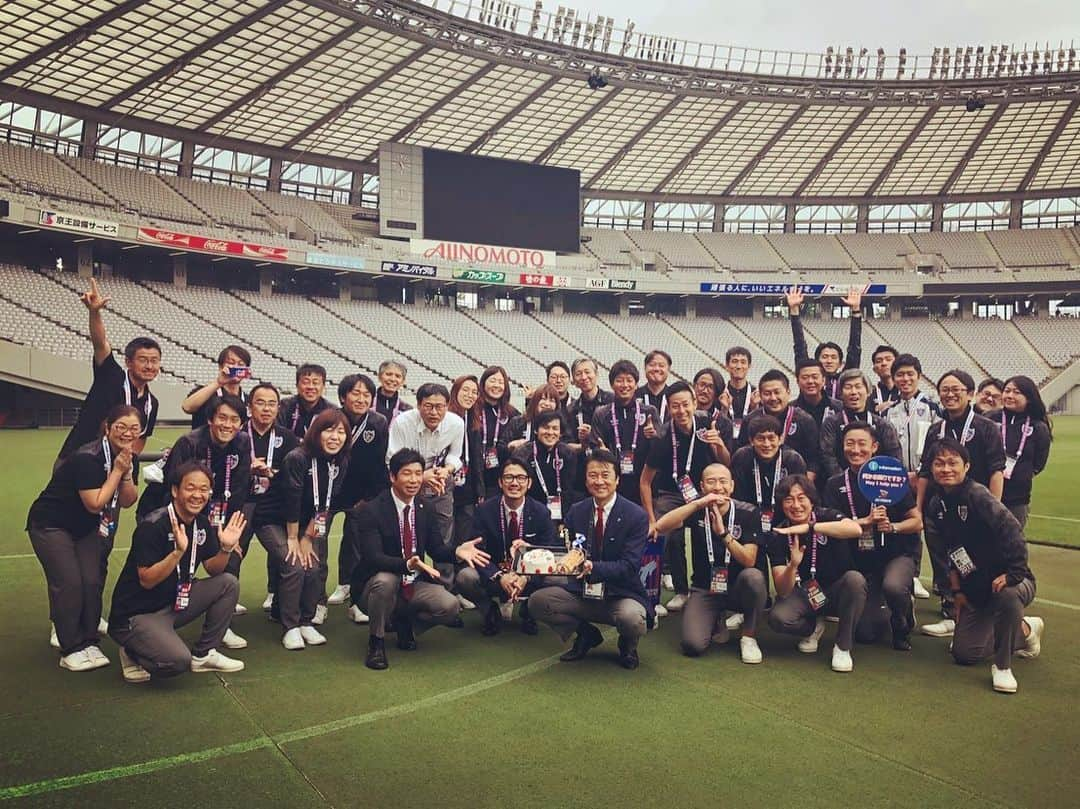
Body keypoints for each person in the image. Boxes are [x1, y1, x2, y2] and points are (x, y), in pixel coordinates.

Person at [922, 439, 1044, 694]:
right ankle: (1025, 629)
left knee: (1008, 594)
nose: (946, 469)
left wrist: (1014, 574)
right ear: (931, 468)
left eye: (953, 463)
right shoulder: (936, 504)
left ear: (966, 466)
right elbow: (950, 552)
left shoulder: (977, 494)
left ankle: (1002, 666)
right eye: (939, 463)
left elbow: (1011, 528)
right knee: (964, 654)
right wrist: (957, 592)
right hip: (976, 587)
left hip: (1011, 581)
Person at [107, 462, 246, 682]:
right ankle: (132, 649)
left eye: (203, 489)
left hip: (173, 603)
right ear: (175, 490)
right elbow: (147, 580)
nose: (197, 495)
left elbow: (213, 568)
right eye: (190, 488)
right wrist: (177, 553)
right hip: (137, 615)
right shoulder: (153, 524)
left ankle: (204, 653)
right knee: (178, 661)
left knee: (228, 582)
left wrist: (226, 548)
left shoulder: (201, 523)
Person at [28, 405, 141, 671]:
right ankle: (70, 647)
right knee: (69, 582)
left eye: (134, 428)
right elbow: (95, 503)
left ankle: (89, 639)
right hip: (51, 524)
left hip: (85, 527)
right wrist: (116, 471)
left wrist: (124, 472)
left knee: (91, 580)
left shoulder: (126, 457)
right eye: (121, 426)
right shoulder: (87, 457)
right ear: (107, 427)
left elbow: (128, 500)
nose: (127, 433)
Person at [528, 449, 651, 670]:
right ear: (585, 480)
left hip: (619, 593)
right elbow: (563, 548)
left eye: (605, 475)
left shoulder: (636, 515)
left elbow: (630, 566)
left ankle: (628, 644)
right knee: (538, 602)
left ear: (617, 479)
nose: (599, 481)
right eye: (593, 475)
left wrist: (593, 567)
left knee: (633, 619)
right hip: (582, 591)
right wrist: (530, 550)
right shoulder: (577, 511)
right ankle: (586, 635)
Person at [347, 449, 462, 670]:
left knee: (450, 606)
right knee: (386, 580)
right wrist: (407, 564)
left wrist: (457, 551)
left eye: (418, 473)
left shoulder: (425, 507)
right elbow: (373, 558)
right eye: (407, 474)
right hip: (374, 586)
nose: (414, 480)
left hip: (413, 583)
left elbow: (437, 549)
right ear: (392, 477)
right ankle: (376, 642)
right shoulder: (371, 510)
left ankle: (405, 625)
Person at [916, 370, 1006, 638]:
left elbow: (996, 470)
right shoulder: (936, 429)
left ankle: (981, 611)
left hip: (975, 509)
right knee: (943, 557)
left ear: (970, 394)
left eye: (956, 389)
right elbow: (924, 471)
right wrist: (919, 508)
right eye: (945, 389)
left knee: (973, 559)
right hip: (940, 509)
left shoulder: (986, 427)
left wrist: (993, 508)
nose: (950, 394)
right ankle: (949, 609)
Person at [821, 422, 922, 651]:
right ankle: (884, 605)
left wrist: (893, 527)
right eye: (849, 443)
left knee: (894, 586)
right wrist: (864, 522)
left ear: (874, 447)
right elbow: (830, 525)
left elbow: (917, 521)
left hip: (896, 555)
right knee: (866, 633)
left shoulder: (892, 477)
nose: (855, 450)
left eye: (862, 444)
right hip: (862, 563)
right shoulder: (835, 484)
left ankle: (902, 618)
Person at [653, 464, 766, 664]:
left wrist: (723, 534)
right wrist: (696, 505)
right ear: (702, 486)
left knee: (754, 577)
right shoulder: (697, 510)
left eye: (723, 481)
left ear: (732, 486)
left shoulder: (748, 512)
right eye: (711, 481)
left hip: (737, 587)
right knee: (692, 645)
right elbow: (661, 526)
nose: (717, 487)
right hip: (705, 589)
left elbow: (749, 560)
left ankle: (748, 636)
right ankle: (716, 618)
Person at [640, 381, 729, 612]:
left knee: (708, 532)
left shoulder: (710, 425)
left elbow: (727, 466)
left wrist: (718, 444)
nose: (681, 411)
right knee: (663, 534)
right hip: (672, 494)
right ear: (668, 408)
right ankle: (676, 591)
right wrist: (652, 519)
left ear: (695, 403)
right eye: (675, 406)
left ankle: (707, 587)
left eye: (685, 405)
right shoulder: (662, 437)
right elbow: (645, 481)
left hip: (705, 491)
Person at [766, 474, 866, 672]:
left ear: (812, 500)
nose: (796, 505)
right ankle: (813, 627)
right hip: (805, 591)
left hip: (838, 589)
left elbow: (855, 529)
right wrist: (793, 565)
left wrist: (811, 527)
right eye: (788, 499)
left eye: (801, 498)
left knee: (855, 580)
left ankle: (843, 646)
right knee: (779, 617)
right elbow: (782, 589)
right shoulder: (779, 533)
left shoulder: (826, 515)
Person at [57, 278, 160, 465]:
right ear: (128, 362)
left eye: (154, 361)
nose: (149, 366)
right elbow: (100, 344)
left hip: (115, 468)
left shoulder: (151, 403)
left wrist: (127, 463)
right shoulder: (111, 376)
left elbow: (141, 438)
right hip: (76, 458)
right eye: (143, 360)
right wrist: (95, 312)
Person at [273, 409, 350, 649]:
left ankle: (306, 621)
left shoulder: (341, 460)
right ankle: (290, 626)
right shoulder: (297, 457)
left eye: (341, 432)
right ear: (316, 432)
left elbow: (326, 502)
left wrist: (308, 536)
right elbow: (290, 501)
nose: (335, 437)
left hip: (308, 522)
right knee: (294, 564)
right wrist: (295, 538)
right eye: (329, 430)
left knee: (313, 567)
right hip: (276, 518)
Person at [455, 458, 557, 636]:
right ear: (500, 482)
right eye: (509, 477)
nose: (515, 483)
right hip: (496, 574)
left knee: (556, 579)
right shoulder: (485, 511)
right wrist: (500, 576)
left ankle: (530, 610)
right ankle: (489, 611)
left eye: (520, 478)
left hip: (528, 576)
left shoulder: (541, 512)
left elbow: (547, 551)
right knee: (465, 577)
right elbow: (477, 552)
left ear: (529, 482)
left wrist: (525, 576)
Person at [226, 383, 299, 630]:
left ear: (278, 408)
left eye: (271, 403)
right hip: (239, 506)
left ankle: (287, 620)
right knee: (230, 559)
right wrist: (247, 467)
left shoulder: (287, 438)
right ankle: (223, 622)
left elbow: (293, 477)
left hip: (271, 509)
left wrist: (271, 472)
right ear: (249, 406)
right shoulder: (235, 435)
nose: (266, 409)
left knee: (288, 560)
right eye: (260, 402)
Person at [387, 382, 465, 587]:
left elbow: (456, 455)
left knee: (444, 533)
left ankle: (445, 585)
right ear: (418, 404)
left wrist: (446, 471)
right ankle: (405, 582)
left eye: (440, 406)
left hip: (440, 481)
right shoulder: (403, 422)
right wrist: (421, 476)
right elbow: (392, 460)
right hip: (408, 482)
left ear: (448, 405)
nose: (434, 412)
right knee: (407, 529)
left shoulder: (456, 423)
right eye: (428, 406)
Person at [137, 395, 252, 534]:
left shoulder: (243, 442)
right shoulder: (189, 443)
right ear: (210, 419)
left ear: (241, 424)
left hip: (209, 514)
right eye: (222, 418)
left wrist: (227, 528)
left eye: (234, 420)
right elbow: (174, 490)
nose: (227, 425)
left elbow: (239, 490)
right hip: (161, 511)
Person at [328, 374, 390, 619]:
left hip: (361, 496)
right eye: (356, 393)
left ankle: (351, 592)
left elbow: (379, 462)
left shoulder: (378, 422)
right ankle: (317, 604)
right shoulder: (331, 419)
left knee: (355, 544)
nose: (361, 399)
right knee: (318, 548)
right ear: (343, 396)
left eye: (367, 395)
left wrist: (370, 497)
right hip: (328, 494)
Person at [881, 353, 941, 600]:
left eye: (909, 374)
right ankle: (912, 574)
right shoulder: (888, 411)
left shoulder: (933, 408)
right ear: (893, 378)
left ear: (919, 376)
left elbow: (939, 443)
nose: (905, 379)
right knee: (908, 526)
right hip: (898, 480)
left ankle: (942, 581)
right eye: (900, 375)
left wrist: (922, 472)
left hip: (926, 477)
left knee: (935, 528)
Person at [590, 359, 660, 506]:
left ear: (636, 385)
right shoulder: (602, 413)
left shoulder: (649, 412)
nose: (624, 385)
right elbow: (594, 446)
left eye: (629, 380)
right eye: (619, 381)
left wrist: (654, 436)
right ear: (611, 384)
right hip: (613, 480)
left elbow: (662, 446)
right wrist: (601, 451)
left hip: (644, 480)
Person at [987, 375, 1052, 529]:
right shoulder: (989, 418)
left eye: (1016, 392)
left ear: (1029, 397)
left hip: (1017, 498)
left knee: (1012, 543)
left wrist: (1021, 475)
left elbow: (1038, 464)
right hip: (986, 492)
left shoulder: (1038, 427)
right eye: (1007, 391)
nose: (1010, 395)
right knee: (983, 542)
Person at [819, 369, 903, 479]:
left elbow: (894, 458)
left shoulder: (882, 425)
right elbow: (827, 456)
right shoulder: (831, 423)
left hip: (876, 484)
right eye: (848, 387)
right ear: (841, 393)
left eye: (858, 386)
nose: (853, 392)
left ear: (868, 391)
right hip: (843, 486)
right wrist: (844, 481)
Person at [740, 369, 822, 479]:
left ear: (788, 392)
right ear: (760, 395)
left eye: (777, 392)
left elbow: (814, 459)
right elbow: (742, 452)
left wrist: (805, 484)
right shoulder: (750, 420)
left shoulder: (804, 420)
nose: (773, 398)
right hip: (756, 479)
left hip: (795, 479)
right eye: (767, 393)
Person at [787, 286, 863, 401]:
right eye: (825, 357)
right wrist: (794, 310)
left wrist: (856, 310)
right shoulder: (811, 379)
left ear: (840, 363)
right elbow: (799, 346)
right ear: (817, 360)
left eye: (833, 357)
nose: (829, 361)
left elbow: (854, 349)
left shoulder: (845, 378)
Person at [448, 374, 485, 609]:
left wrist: (479, 489)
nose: (470, 395)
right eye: (465, 390)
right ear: (455, 391)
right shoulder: (448, 418)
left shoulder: (474, 420)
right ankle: (446, 586)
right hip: (448, 487)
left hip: (468, 490)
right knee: (445, 539)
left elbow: (478, 459)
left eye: (474, 392)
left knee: (464, 539)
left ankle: (460, 588)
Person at [512, 410, 580, 524]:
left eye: (555, 428)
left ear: (561, 433)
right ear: (536, 430)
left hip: (559, 513)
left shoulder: (568, 454)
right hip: (529, 512)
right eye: (546, 427)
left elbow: (570, 489)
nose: (550, 432)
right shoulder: (523, 453)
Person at [181, 345, 251, 429]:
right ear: (220, 366)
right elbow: (187, 407)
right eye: (231, 363)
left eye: (241, 364)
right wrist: (218, 383)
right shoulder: (206, 393)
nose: (236, 367)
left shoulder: (247, 400)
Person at [476, 366, 518, 494]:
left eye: (501, 382)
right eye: (492, 380)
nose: (497, 385)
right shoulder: (474, 408)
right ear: (483, 383)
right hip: (475, 471)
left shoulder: (511, 413)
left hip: (500, 473)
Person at [502, 382, 572, 454]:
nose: (547, 403)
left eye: (552, 400)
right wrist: (510, 446)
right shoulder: (518, 422)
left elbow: (567, 447)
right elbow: (501, 447)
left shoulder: (560, 426)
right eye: (543, 399)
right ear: (535, 401)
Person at [566, 357, 613, 451]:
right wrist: (583, 444)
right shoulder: (571, 409)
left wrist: (594, 434)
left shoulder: (612, 401)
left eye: (587, 372)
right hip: (583, 462)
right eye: (578, 374)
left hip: (610, 460)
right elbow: (566, 445)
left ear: (596, 374)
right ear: (574, 381)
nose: (583, 377)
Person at [278, 363, 332, 438]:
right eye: (305, 382)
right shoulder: (285, 406)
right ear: (297, 385)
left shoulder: (331, 410)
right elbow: (278, 433)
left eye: (315, 383)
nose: (310, 387)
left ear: (323, 387)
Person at [792, 358, 843, 429]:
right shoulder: (790, 410)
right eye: (805, 377)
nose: (810, 381)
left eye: (815, 377)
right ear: (797, 381)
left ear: (823, 380)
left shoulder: (839, 408)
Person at [722, 346, 758, 442]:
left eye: (743, 362)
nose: (738, 366)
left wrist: (755, 408)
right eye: (734, 361)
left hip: (749, 444)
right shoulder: (720, 392)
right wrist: (724, 410)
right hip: (726, 443)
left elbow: (760, 424)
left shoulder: (756, 394)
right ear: (727, 365)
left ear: (749, 366)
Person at [636, 350, 673, 421]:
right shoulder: (635, 396)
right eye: (652, 365)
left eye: (661, 365)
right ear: (645, 367)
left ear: (669, 369)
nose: (656, 369)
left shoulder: (674, 397)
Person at [869, 345, 900, 413]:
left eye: (888, 359)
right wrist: (874, 411)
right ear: (874, 369)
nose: (884, 363)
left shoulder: (906, 392)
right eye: (879, 361)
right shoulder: (869, 394)